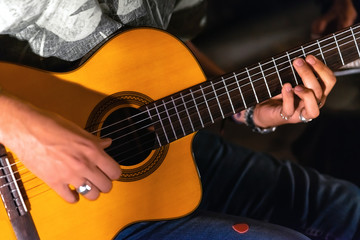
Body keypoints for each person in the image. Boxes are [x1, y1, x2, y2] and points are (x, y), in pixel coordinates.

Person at [0, 0, 359, 239]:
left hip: (159, 136)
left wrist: (245, 107)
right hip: (57, 215)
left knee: (348, 211)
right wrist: (22, 129)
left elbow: (166, 46)